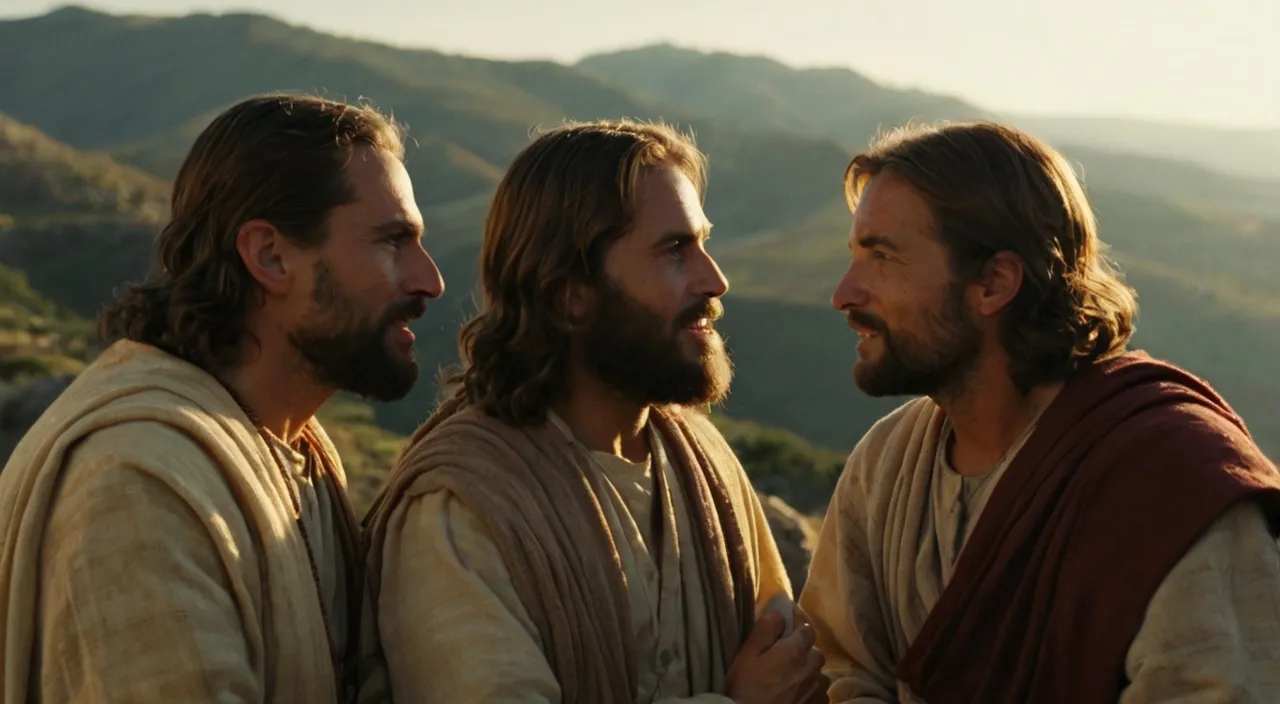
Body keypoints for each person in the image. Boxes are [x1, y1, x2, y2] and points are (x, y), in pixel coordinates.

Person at [798, 120, 1280, 703]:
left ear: (994, 283)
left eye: (882, 257)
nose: (843, 294)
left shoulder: (1171, 480)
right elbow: (839, 672)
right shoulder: (887, 467)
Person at [359, 120, 827, 704]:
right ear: (569, 295)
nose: (716, 280)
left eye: (704, 243)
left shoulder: (706, 469)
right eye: (675, 250)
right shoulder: (464, 507)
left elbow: (789, 669)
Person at [0, 92, 445, 702]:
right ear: (269, 255)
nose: (430, 280)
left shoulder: (297, 452)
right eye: (392, 241)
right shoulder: (137, 478)